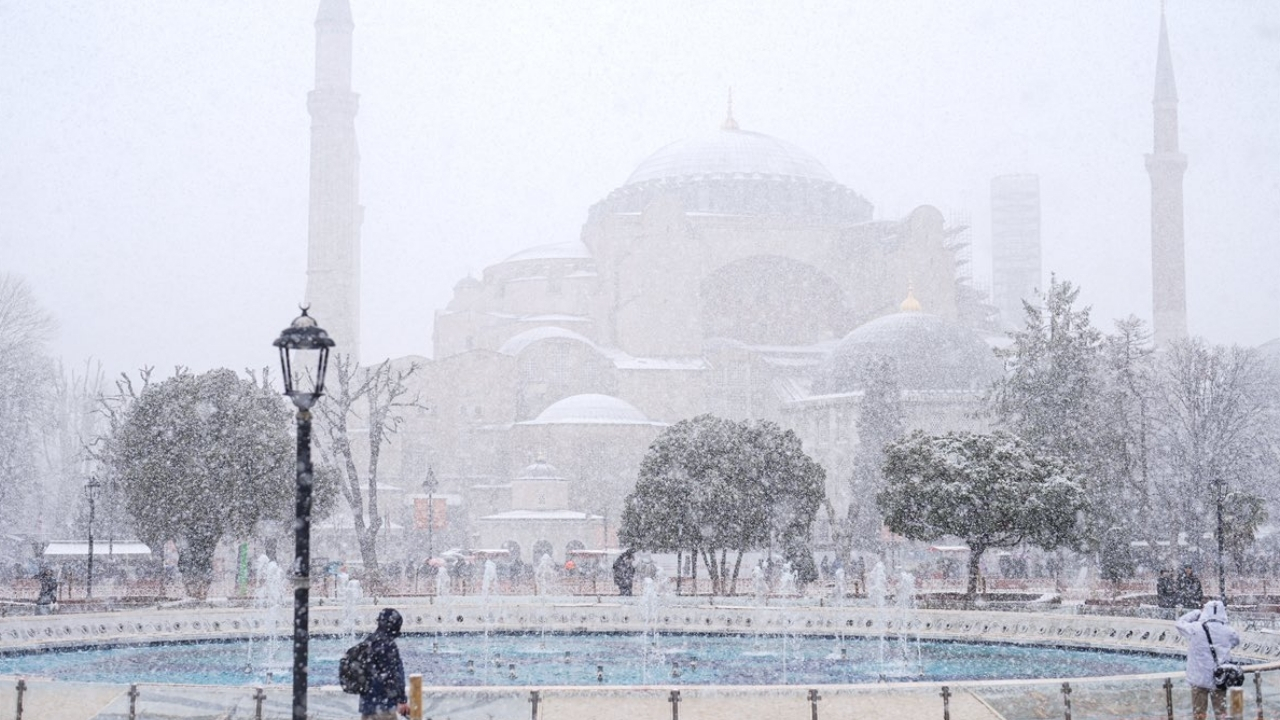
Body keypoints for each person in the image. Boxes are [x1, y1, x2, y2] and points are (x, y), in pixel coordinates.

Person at [1175, 599, 1240, 720]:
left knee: (1199, 714)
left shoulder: (1195, 628)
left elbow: (1179, 623)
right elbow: (1236, 641)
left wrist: (1196, 613)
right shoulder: (1228, 631)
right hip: (1219, 678)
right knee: (1221, 713)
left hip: (1199, 678)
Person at [359, 608, 409, 720]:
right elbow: (394, 675)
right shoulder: (388, 645)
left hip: (367, 706)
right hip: (384, 707)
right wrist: (401, 700)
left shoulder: (368, 641)